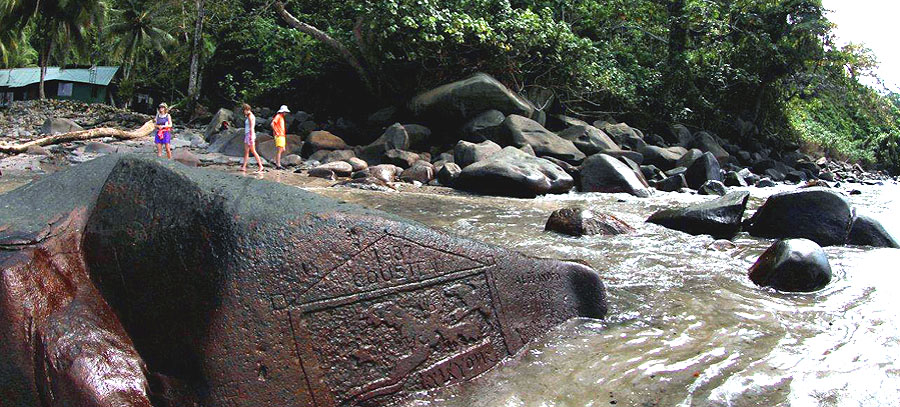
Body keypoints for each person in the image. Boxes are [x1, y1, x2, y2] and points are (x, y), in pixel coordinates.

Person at [241, 103, 264, 173]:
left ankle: (261, 166)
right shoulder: (248, 116)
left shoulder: (251, 117)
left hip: (250, 135)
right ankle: (244, 166)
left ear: (247, 110)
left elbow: (251, 128)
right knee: (246, 151)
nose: (244, 112)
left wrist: (251, 138)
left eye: (244, 110)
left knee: (253, 151)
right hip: (247, 134)